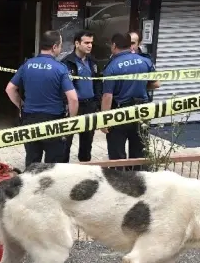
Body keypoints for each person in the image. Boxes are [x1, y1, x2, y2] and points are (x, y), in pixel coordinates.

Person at [5, 30, 79, 168]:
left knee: (33, 163)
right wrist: (71, 121)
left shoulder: (27, 65)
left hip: (30, 119)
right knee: (53, 166)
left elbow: (9, 89)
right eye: (60, 45)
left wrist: (21, 105)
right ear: (55, 46)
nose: (61, 49)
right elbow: (73, 99)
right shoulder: (60, 68)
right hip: (53, 121)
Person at [101, 33, 160, 170]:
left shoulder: (112, 66)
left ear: (114, 45)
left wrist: (104, 120)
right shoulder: (145, 61)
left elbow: (107, 96)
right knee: (139, 153)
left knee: (117, 155)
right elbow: (156, 84)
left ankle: (119, 183)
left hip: (120, 113)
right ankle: (139, 183)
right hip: (142, 111)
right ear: (130, 44)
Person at [62, 31, 101, 163]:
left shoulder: (93, 62)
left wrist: (97, 103)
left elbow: (98, 84)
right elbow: (63, 88)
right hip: (73, 107)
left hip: (90, 106)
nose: (90, 45)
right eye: (86, 42)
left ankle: (84, 169)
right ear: (77, 43)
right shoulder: (67, 62)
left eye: (91, 43)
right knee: (66, 141)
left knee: (87, 142)